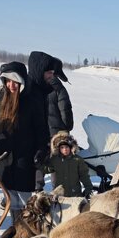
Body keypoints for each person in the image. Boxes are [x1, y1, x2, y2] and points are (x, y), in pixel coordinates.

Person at [0, 61, 48, 223]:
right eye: (8, 81)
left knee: (24, 195)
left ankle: (26, 227)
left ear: (22, 81)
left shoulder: (32, 101)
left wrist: (41, 149)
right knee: (9, 194)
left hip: (24, 155)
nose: (11, 85)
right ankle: (16, 227)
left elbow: (41, 128)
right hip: (4, 153)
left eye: (15, 81)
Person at [27, 51, 74, 191]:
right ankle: (56, 192)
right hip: (55, 134)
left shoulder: (35, 87)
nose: (51, 75)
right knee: (54, 164)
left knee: (39, 163)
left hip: (42, 134)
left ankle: (39, 191)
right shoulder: (57, 88)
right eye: (49, 72)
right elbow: (66, 116)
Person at [48, 131, 93, 197]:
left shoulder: (77, 160)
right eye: (62, 148)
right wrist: (40, 163)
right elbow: (47, 169)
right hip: (59, 195)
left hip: (75, 194)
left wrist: (88, 188)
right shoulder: (55, 160)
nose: (65, 150)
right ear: (58, 149)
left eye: (67, 147)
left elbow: (84, 175)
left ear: (71, 147)